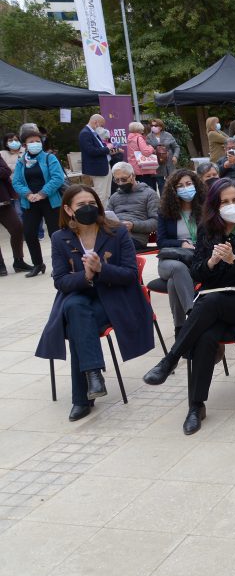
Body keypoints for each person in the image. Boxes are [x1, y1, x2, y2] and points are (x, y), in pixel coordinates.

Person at [143, 178, 235, 434]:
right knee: (205, 335)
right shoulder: (207, 230)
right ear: (215, 205)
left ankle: (170, 359)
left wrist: (234, 260)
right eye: (224, 202)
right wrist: (212, 263)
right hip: (216, 299)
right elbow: (197, 272)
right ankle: (196, 406)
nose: (231, 205)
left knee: (210, 304)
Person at [37, 185, 154, 421]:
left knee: (76, 321)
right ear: (68, 210)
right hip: (80, 295)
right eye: (81, 205)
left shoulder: (117, 232)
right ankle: (92, 375)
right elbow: (60, 281)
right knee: (75, 308)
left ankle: (84, 393)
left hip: (115, 298)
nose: (88, 208)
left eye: (92, 203)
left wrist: (101, 269)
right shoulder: (60, 238)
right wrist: (87, 276)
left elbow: (130, 274)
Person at [156, 169, 205, 334]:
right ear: (173, 190)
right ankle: (193, 314)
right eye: (180, 186)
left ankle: (180, 329)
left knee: (173, 283)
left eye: (189, 184)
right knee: (177, 269)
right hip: (171, 260)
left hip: (196, 259)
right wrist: (181, 243)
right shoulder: (165, 212)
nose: (185, 188)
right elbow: (161, 241)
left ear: (196, 185)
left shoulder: (204, 209)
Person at [13, 127, 64, 277]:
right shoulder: (21, 161)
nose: (36, 143)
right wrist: (28, 194)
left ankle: (60, 265)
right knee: (29, 233)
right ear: (24, 145)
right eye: (31, 141)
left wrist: (42, 193)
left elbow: (58, 178)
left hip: (50, 201)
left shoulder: (49, 158)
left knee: (56, 234)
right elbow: (16, 182)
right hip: (30, 202)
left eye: (38, 141)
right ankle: (38, 264)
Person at [107, 162, 160, 251]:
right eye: (117, 180)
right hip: (113, 235)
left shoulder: (150, 194)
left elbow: (156, 222)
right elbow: (106, 218)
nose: (120, 183)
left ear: (133, 175)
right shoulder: (114, 197)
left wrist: (133, 225)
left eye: (123, 179)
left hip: (135, 238)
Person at [0, 150, 28, 275]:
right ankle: (0, 265)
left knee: (17, 228)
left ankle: (19, 261)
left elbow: (6, 171)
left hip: (3, 201)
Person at [79, 114, 112, 202]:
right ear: (95, 122)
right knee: (101, 195)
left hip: (105, 166)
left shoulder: (93, 133)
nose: (102, 128)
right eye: (101, 125)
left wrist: (109, 150)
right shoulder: (85, 133)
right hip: (98, 169)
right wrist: (107, 148)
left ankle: (106, 210)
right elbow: (91, 151)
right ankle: (100, 210)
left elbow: (99, 147)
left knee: (106, 194)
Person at [146, 119, 179, 191]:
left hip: (169, 163)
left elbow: (176, 147)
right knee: (161, 185)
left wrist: (175, 156)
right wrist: (156, 152)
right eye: (152, 125)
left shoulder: (168, 135)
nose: (153, 127)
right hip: (157, 164)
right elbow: (147, 149)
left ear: (161, 127)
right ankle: (163, 198)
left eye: (155, 125)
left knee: (172, 183)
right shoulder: (149, 136)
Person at [125, 122, 158, 188]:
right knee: (147, 187)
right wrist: (151, 147)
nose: (143, 130)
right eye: (141, 129)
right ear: (138, 129)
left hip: (134, 166)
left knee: (138, 187)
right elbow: (146, 152)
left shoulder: (130, 138)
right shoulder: (139, 138)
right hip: (142, 167)